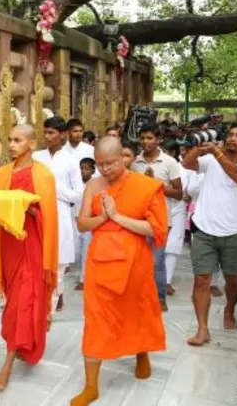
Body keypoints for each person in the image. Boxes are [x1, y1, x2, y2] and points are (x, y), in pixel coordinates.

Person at [71, 137, 168, 406]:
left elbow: (156, 229)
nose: (105, 169)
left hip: (135, 262)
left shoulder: (146, 186)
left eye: (110, 163)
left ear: (124, 158)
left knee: (137, 311)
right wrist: (103, 217)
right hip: (101, 263)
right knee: (95, 321)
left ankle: (142, 355)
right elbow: (81, 224)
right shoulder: (93, 185)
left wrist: (117, 217)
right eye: (100, 164)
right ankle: (91, 387)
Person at [0, 124, 59, 391]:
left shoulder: (44, 175)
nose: (11, 145)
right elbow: (0, 210)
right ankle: (22, 342)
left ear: (31, 144)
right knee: (16, 301)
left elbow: (48, 218)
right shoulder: (2, 173)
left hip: (33, 244)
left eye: (17, 140)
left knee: (24, 300)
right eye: (10, 139)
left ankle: (6, 364)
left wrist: (29, 209)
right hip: (10, 243)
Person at [181, 123, 237, 347]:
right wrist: (200, 148)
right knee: (202, 280)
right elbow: (187, 163)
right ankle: (203, 329)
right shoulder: (211, 158)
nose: (232, 139)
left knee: (233, 281)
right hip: (204, 229)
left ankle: (229, 308)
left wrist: (217, 153)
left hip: (234, 232)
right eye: (230, 135)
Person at [33, 116, 84, 312]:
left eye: (51, 133)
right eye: (45, 132)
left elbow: (79, 193)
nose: (47, 137)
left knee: (58, 263)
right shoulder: (37, 157)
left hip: (61, 215)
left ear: (63, 135)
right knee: (39, 262)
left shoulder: (71, 161)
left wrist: (56, 191)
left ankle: (49, 310)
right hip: (37, 214)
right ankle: (48, 299)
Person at [130, 125, 183, 312]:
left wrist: (155, 185)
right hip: (139, 219)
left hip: (161, 219)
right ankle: (140, 297)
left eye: (150, 138)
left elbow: (178, 193)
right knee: (138, 260)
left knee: (156, 260)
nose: (146, 142)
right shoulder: (135, 163)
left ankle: (160, 297)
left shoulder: (169, 162)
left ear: (159, 139)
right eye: (143, 138)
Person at [161, 140, 187, 296]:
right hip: (158, 208)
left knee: (172, 246)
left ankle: (167, 281)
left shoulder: (183, 169)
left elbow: (184, 191)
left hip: (176, 208)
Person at [75, 157, 97, 291]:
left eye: (86, 169)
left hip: (88, 223)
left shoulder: (95, 185)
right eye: (81, 169)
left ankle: (84, 279)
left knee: (86, 252)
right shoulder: (75, 184)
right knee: (77, 251)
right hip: (75, 220)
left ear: (93, 170)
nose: (83, 172)